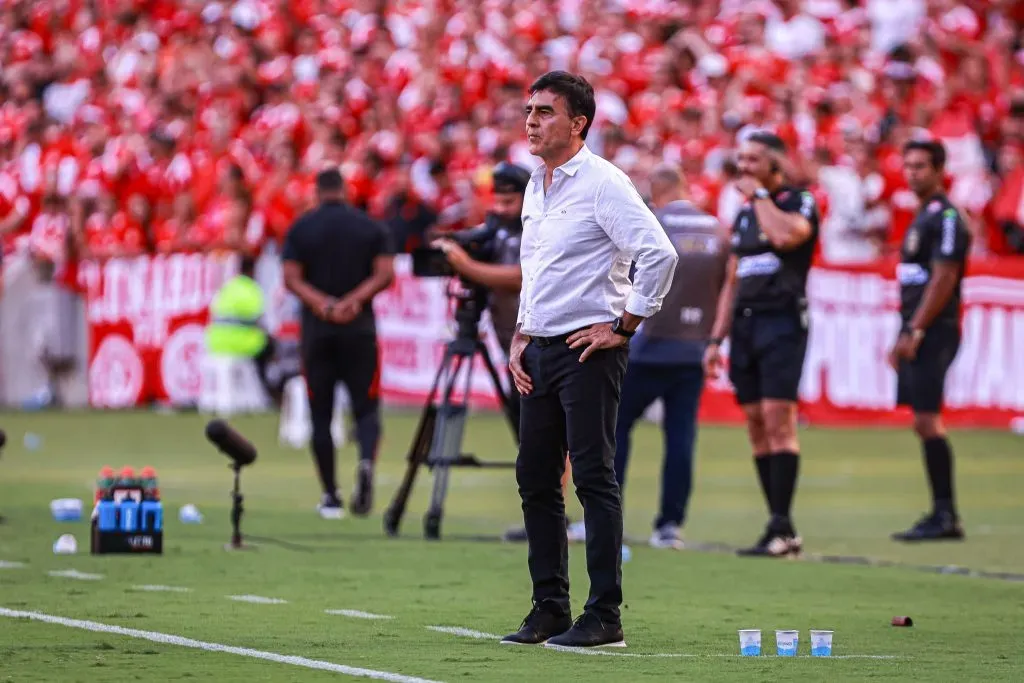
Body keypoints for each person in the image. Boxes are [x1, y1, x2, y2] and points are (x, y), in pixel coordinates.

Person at [501, 71, 678, 649]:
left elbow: (658, 253)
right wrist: (522, 332)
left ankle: (605, 615)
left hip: (586, 347)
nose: (531, 120)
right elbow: (538, 267)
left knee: (594, 478)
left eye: (545, 112)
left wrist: (625, 326)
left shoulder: (604, 182)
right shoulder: (536, 183)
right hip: (542, 346)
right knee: (534, 477)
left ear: (578, 123)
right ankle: (550, 607)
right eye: (529, 110)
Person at [433, 162, 576, 544]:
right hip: (511, 343)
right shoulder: (496, 229)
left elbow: (520, 276)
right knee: (528, 432)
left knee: (546, 435)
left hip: (540, 340)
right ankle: (546, 518)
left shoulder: (534, 227)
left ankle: (555, 518)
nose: (502, 207)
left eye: (509, 200)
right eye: (497, 199)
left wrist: (467, 266)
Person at [703, 131, 820, 558]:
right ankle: (779, 526)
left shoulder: (794, 202)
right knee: (754, 421)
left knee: (777, 418)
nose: (744, 168)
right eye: (741, 161)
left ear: (775, 165)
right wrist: (716, 339)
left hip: (782, 322)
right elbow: (731, 283)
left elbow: (789, 238)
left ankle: (781, 524)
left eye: (753, 160)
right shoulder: (745, 215)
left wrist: (760, 198)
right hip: (746, 326)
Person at [611, 165, 728, 550]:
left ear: (656, 192)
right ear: (685, 187)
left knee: (615, 428)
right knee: (680, 438)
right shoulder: (717, 230)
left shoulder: (652, 223)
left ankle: (606, 516)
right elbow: (729, 284)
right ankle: (669, 525)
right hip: (693, 350)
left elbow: (626, 279)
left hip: (646, 348)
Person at [282, 168, 395, 519]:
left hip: (318, 331)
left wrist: (324, 304)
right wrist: (354, 301)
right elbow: (384, 273)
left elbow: (291, 278)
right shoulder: (370, 227)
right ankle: (364, 461)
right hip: (359, 329)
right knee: (366, 408)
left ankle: (331, 494)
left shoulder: (302, 228)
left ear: (316, 192)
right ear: (344, 191)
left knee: (321, 412)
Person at [888, 139, 969, 542]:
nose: (912, 173)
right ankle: (943, 512)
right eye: (908, 165)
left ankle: (945, 514)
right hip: (918, 328)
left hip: (935, 329)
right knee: (922, 420)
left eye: (920, 166)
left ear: (939, 169)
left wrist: (916, 329)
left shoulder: (948, 216)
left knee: (927, 417)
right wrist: (903, 331)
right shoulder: (922, 215)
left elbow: (945, 277)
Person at [205, 254, 278, 403]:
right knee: (268, 346)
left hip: (215, 344)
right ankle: (266, 391)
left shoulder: (226, 288)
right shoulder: (253, 290)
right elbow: (265, 323)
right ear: (253, 271)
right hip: (242, 345)